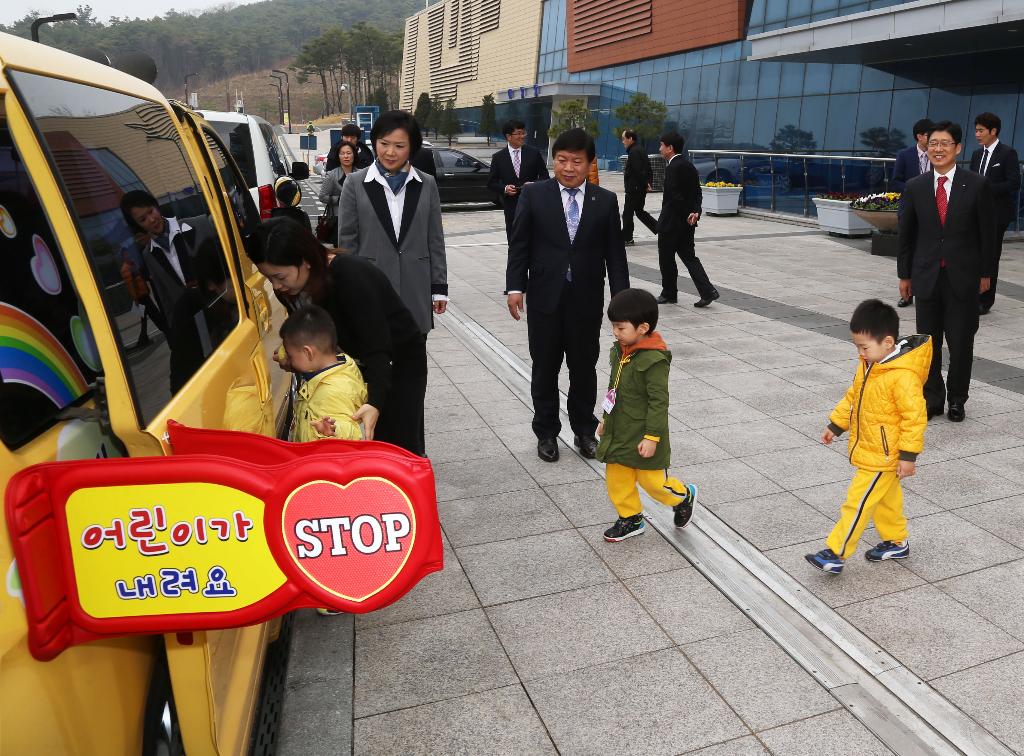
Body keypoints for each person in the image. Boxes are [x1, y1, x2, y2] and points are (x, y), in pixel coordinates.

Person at [247, 216, 429, 455]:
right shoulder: (292, 288)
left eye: (280, 277)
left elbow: (377, 347)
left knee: (397, 445)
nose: (276, 286)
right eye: (269, 278)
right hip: (357, 366)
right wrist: (294, 357)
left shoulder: (350, 275)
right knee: (364, 448)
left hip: (397, 363)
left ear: (305, 260)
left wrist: (374, 403)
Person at [506, 127, 629, 463]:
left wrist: (623, 302)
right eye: (562, 160)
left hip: (586, 301)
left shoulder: (605, 200)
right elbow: (519, 245)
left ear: (589, 164)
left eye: (576, 161)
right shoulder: (535, 194)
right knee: (544, 368)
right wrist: (515, 287)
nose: (569, 168)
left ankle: (585, 430)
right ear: (554, 161)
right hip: (544, 298)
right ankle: (546, 432)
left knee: (583, 368)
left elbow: (615, 255)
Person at [806, 300, 931, 574]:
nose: (860, 353)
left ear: (888, 342)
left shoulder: (903, 376)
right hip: (875, 448)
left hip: (884, 454)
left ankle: (836, 552)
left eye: (864, 347)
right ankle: (896, 541)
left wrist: (908, 456)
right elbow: (854, 396)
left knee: (858, 501)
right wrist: (836, 425)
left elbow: (915, 417)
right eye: (857, 347)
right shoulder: (871, 364)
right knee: (886, 500)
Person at [898, 121, 996, 423]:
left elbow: (988, 235)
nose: (938, 149)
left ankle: (957, 399)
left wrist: (986, 274)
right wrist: (905, 275)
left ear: (957, 148)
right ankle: (933, 399)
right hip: (926, 277)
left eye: (944, 143)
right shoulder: (916, 186)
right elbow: (906, 235)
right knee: (928, 345)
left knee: (961, 343)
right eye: (933, 144)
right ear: (926, 147)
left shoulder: (976, 184)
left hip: (963, 278)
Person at [595, 288, 698, 542]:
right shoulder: (620, 351)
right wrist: (606, 419)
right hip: (619, 430)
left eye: (621, 327)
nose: (615, 332)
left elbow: (659, 402)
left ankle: (683, 496)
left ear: (643, 328)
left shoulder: (654, 360)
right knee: (617, 478)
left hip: (644, 432)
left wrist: (652, 437)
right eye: (613, 326)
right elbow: (613, 388)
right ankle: (630, 518)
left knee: (653, 483)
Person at [337, 110, 448, 335]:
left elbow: (435, 239)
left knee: (414, 352)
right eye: (384, 143)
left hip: (416, 288)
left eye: (399, 146)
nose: (390, 152)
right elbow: (347, 242)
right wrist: (350, 288)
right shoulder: (355, 184)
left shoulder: (426, 184)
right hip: (371, 288)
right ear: (374, 142)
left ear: (412, 147)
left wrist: (439, 288)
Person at [119, 190, 214, 330]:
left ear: (156, 206)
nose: (151, 220)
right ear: (137, 226)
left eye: (151, 211)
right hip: (194, 326)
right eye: (143, 220)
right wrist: (176, 331)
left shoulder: (198, 224)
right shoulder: (148, 255)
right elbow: (165, 300)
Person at [279, 305, 367, 442]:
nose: (288, 361)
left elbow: (354, 434)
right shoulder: (341, 365)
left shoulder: (331, 393)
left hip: (317, 454)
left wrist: (333, 430)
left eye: (290, 356)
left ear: (308, 353)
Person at [655, 131, 719, 308]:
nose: (660, 149)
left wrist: (688, 214)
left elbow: (674, 197)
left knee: (666, 258)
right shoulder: (689, 165)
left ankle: (669, 293)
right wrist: (695, 212)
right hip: (687, 223)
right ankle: (708, 291)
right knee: (690, 258)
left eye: (661, 145)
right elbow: (698, 192)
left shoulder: (673, 167)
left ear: (670, 148)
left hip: (672, 223)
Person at [970, 112, 1020, 315]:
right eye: (976, 130)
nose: (977, 134)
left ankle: (985, 300)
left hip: (997, 215)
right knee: (973, 254)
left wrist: (987, 189)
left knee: (990, 256)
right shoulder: (976, 155)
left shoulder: (1008, 153)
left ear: (993, 131)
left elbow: (1014, 183)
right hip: (975, 214)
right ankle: (972, 294)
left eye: (980, 130)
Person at [891, 118, 934, 308]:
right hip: (909, 209)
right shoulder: (905, 155)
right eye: (929, 135)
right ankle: (907, 293)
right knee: (907, 248)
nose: (933, 139)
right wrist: (915, 190)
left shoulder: (937, 154)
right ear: (919, 136)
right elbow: (896, 181)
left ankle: (925, 289)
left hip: (931, 210)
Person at [487, 119, 550, 239]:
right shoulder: (498, 157)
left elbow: (545, 177)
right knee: (514, 238)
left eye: (523, 133)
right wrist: (505, 188)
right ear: (508, 136)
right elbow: (491, 183)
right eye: (519, 133)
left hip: (533, 204)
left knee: (534, 238)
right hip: (511, 207)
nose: (522, 136)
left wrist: (533, 184)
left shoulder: (534, 153)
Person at [620, 129, 657, 246]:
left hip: (635, 189)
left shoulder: (634, 152)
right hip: (639, 188)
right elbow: (648, 168)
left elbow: (638, 170)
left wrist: (646, 184)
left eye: (624, 139)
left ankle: (627, 238)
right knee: (639, 212)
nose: (622, 141)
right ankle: (660, 228)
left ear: (630, 139)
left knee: (627, 214)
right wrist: (648, 183)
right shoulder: (640, 149)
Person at [318, 141, 356, 241]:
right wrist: (339, 199)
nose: (346, 156)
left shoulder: (361, 174)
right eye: (342, 153)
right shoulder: (332, 175)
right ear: (338, 156)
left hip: (358, 218)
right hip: (338, 219)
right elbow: (322, 196)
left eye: (349, 153)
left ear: (354, 155)